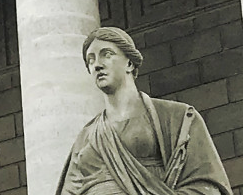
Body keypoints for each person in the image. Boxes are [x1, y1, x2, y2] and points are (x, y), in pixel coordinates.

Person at [55, 26, 230, 195]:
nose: (97, 65)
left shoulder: (178, 117)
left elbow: (207, 186)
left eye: (106, 55)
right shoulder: (85, 136)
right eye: (90, 60)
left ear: (129, 63)